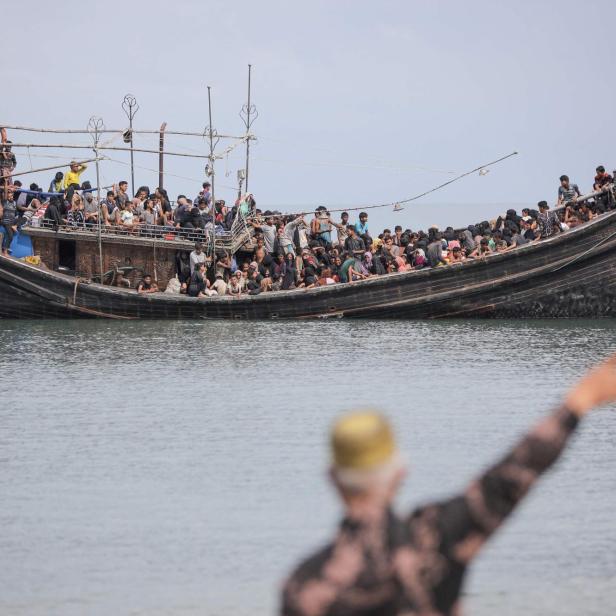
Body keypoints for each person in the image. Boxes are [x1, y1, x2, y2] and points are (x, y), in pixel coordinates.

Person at [281, 353, 616, 616]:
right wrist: (582, 398)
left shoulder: (305, 586)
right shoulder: (434, 537)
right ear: (400, 473)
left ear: (334, 480)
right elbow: (514, 473)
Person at [0, 187, 17, 255]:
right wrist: (6, 181)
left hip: (12, 221)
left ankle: (14, 226)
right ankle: (5, 250)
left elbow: (20, 207)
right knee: (10, 236)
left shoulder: (14, 203)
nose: (11, 197)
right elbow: (6, 190)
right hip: (6, 221)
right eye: (9, 196)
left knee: (22, 219)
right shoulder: (5, 202)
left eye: (12, 196)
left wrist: (29, 209)